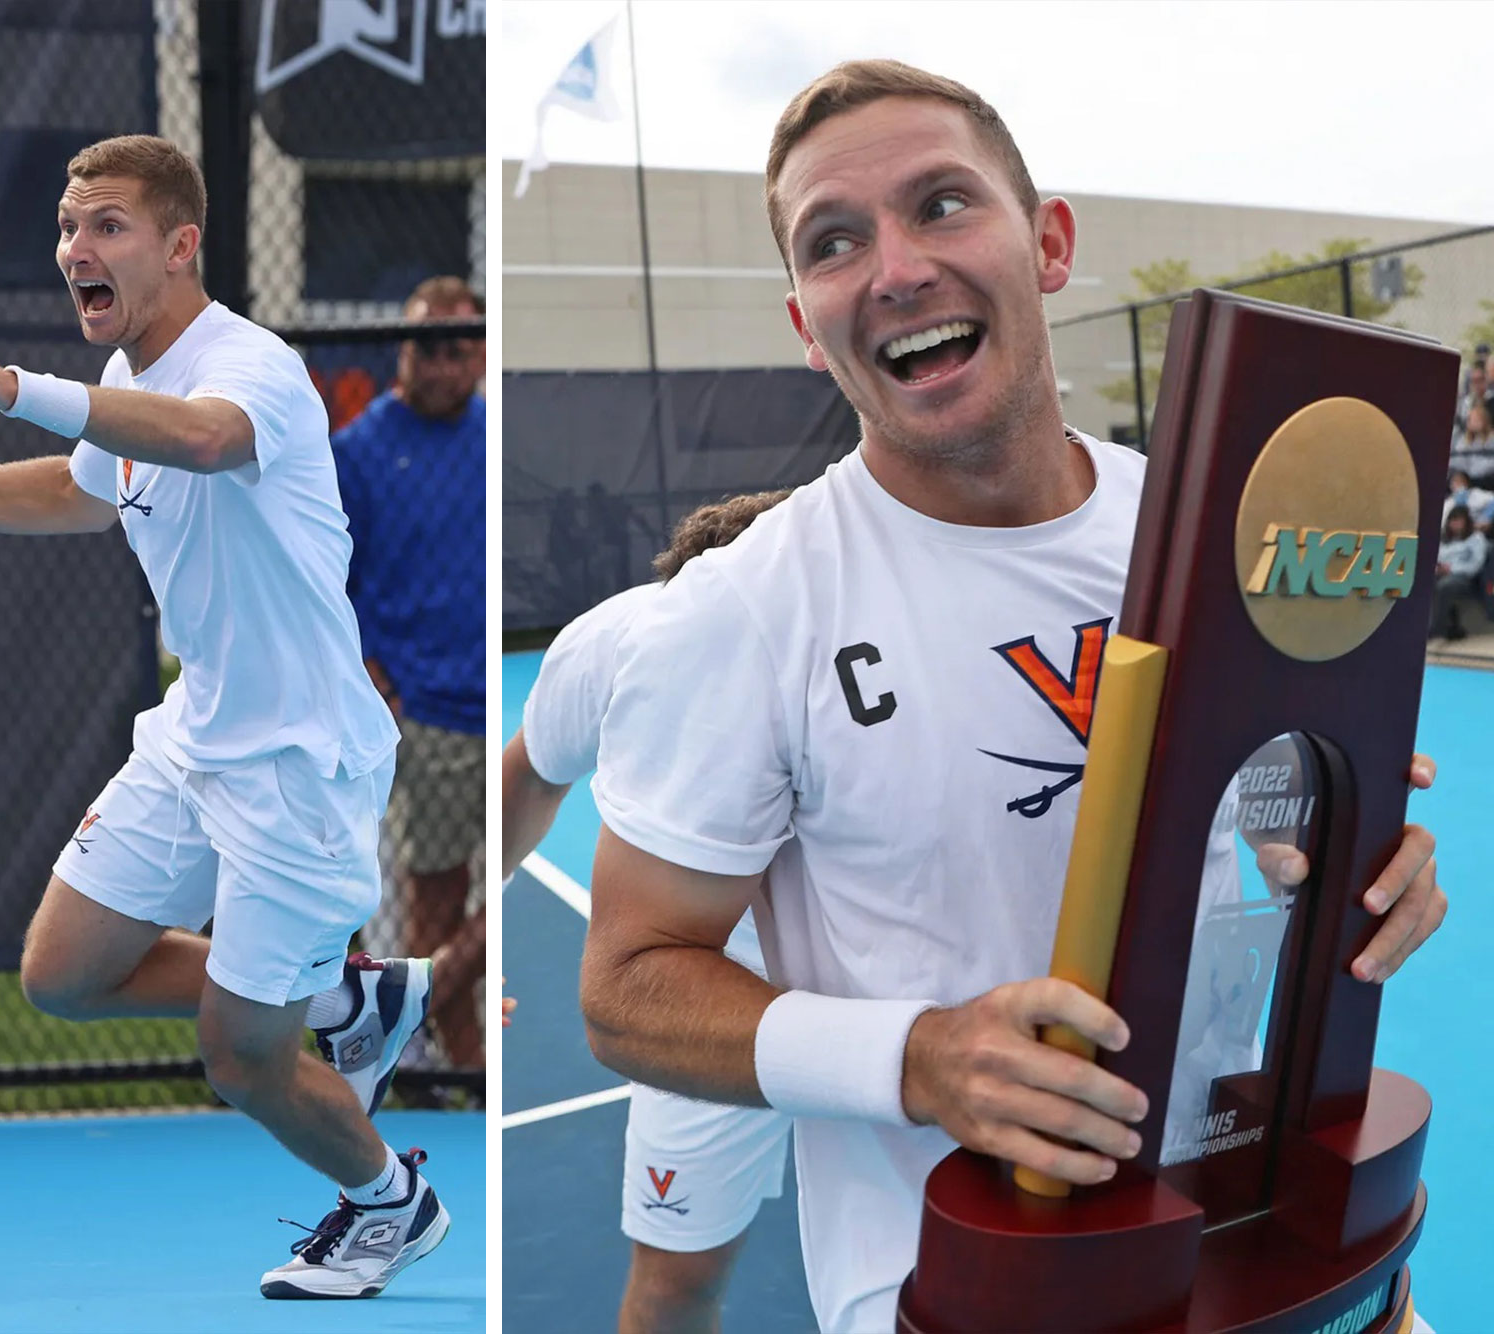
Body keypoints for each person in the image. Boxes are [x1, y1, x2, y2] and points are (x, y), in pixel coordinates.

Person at [580, 61, 1447, 1333]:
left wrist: (1358, 863)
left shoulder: (1204, 521)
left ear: (1046, 243)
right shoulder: (742, 609)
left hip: (1259, 1227)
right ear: (804, 324)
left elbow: (1269, 813)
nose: (894, 266)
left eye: (940, 205)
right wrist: (921, 1058)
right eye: (835, 241)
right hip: (967, 1279)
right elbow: (625, 985)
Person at [0, 135, 450, 1300]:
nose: (73, 249)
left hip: (297, 763)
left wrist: (7, 389)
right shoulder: (129, 386)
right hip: (196, 732)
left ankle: (389, 1203)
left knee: (244, 1059)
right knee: (61, 970)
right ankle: (352, 995)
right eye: (64, 227)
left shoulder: (248, 367)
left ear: (179, 244)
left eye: (105, 225)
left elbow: (200, 441)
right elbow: (80, 488)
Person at [504, 490, 793, 1334]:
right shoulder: (615, 640)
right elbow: (528, 774)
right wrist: (477, 938)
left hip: (883, 993)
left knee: (933, 1267)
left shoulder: (866, 642)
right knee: (674, 1288)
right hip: (705, 1009)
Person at [334, 277, 490, 1070]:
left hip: (502, 707)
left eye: (461, 347)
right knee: (436, 894)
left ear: (481, 353)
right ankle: (454, 1070)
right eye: (428, 345)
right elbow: (327, 581)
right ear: (405, 347)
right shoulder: (357, 451)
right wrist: (373, 674)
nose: (443, 364)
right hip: (424, 713)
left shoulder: (493, 434)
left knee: (505, 900)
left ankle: (413, 1019)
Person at [1430, 504, 1487, 641]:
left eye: (1459, 521)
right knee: (1426, 582)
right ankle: (1450, 626)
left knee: (1445, 586)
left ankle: (1436, 629)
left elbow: (1475, 565)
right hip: (1441, 574)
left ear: (1466, 522)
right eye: (1452, 521)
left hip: (1465, 579)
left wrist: (1451, 569)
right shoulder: (1445, 539)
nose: (1455, 524)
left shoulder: (1476, 538)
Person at [1449, 401, 1494, 482]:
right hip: (1466, 479)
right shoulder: (1465, 439)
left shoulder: (1492, 438)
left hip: (1487, 480)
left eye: (1476, 419)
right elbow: (1457, 460)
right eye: (1470, 419)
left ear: (1484, 420)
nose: (1472, 422)